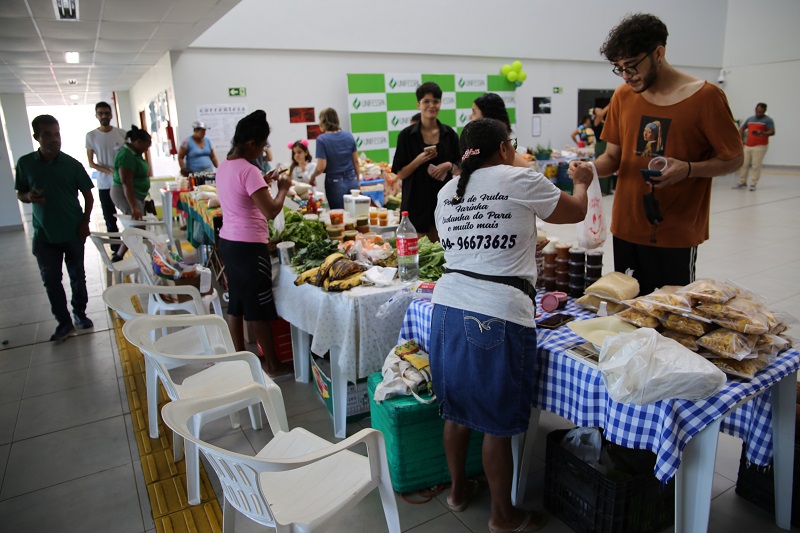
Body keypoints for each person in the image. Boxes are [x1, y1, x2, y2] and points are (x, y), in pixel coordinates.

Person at [430, 118, 593, 533]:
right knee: (495, 424)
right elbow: (574, 212)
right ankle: (503, 516)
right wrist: (584, 182)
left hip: (447, 307)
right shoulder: (519, 178)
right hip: (497, 312)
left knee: (458, 412)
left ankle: (456, 491)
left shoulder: (448, 190)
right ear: (503, 148)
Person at [575, 13, 743, 295]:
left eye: (631, 66)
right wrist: (588, 168)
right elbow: (612, 159)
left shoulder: (706, 97)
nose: (627, 76)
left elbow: (734, 159)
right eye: (619, 69)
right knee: (628, 311)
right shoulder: (623, 97)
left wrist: (688, 169)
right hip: (626, 227)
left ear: (659, 53)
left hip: (675, 232)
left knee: (671, 316)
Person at [216, 110, 291, 377]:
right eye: (262, 145)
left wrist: (264, 181)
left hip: (229, 242)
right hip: (249, 246)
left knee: (236, 302)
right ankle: (272, 364)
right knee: (258, 308)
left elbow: (241, 196)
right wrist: (282, 187)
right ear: (251, 143)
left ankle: (239, 358)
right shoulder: (249, 170)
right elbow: (271, 211)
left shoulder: (225, 165)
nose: (263, 150)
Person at [15, 115, 95, 341]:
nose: (54, 139)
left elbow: (88, 196)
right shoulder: (25, 164)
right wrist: (28, 196)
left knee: (77, 276)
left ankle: (80, 314)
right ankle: (64, 322)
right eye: (47, 135)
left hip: (72, 231)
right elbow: (20, 193)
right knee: (51, 280)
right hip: (44, 235)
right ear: (36, 137)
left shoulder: (72, 165)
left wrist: (85, 222)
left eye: (57, 134)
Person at [392, 82, 460, 241]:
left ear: (440, 104)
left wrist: (448, 165)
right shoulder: (406, 136)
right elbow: (401, 173)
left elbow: (460, 168)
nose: (431, 105)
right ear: (418, 105)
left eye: (436, 101)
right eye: (426, 101)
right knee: (419, 254)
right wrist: (418, 160)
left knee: (442, 254)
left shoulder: (450, 134)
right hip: (415, 204)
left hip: (444, 204)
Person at [85, 101, 126, 250]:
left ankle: (134, 245)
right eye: (101, 113)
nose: (104, 116)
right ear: (96, 115)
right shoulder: (91, 136)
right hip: (104, 184)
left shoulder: (121, 133)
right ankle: (116, 249)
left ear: (111, 115)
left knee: (129, 216)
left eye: (107, 113)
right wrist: (110, 171)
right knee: (110, 219)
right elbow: (91, 163)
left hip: (123, 183)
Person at [110, 126, 153, 260]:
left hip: (135, 195)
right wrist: (133, 206)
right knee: (136, 227)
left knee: (138, 227)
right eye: (146, 146)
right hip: (126, 194)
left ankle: (140, 255)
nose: (147, 149)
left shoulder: (134, 153)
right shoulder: (126, 155)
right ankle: (120, 256)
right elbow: (126, 182)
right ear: (138, 142)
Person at [308, 108, 360, 209]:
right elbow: (356, 161)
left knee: (339, 217)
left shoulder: (322, 140)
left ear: (323, 122)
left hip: (335, 183)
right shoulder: (349, 136)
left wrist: (312, 177)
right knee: (355, 215)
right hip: (351, 180)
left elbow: (321, 167)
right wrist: (357, 180)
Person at [470, 93, 528, 168]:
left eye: (474, 112)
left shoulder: (502, 152)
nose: (470, 117)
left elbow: (525, 167)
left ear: (487, 117)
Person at [735, 102, 775, 191]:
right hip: (748, 145)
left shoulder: (767, 120)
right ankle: (742, 182)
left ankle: (753, 183)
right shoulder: (750, 119)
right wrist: (740, 139)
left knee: (756, 165)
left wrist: (762, 133)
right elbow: (742, 128)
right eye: (758, 111)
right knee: (744, 164)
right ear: (755, 109)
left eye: (761, 112)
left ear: (764, 111)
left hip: (760, 146)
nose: (759, 114)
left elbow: (772, 132)